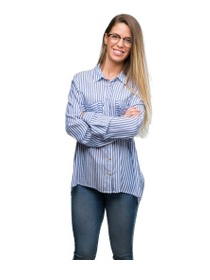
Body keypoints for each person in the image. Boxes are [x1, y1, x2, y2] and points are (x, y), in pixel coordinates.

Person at [65, 13, 152, 260]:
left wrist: (89, 117)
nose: (120, 44)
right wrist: (117, 124)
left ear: (133, 46)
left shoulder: (136, 85)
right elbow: (73, 126)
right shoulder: (81, 81)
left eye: (127, 40)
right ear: (106, 38)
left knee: (123, 257)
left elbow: (132, 127)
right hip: (86, 182)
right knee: (83, 255)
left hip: (124, 182)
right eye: (116, 36)